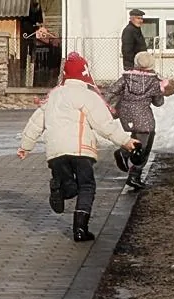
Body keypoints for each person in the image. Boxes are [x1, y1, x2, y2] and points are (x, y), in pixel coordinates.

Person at [17, 52, 139, 242]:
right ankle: (80, 230)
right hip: (81, 149)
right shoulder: (86, 95)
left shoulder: (53, 96)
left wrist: (25, 146)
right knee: (86, 186)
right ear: (85, 73)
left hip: (55, 152)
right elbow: (103, 124)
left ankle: (59, 187)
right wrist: (125, 141)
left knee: (71, 188)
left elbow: (36, 121)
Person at [103, 50, 166, 191]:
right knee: (145, 146)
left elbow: (111, 91)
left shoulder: (127, 78)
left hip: (126, 115)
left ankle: (125, 153)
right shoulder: (155, 82)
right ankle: (133, 173)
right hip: (144, 118)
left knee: (136, 138)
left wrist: (106, 105)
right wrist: (161, 92)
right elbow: (158, 102)